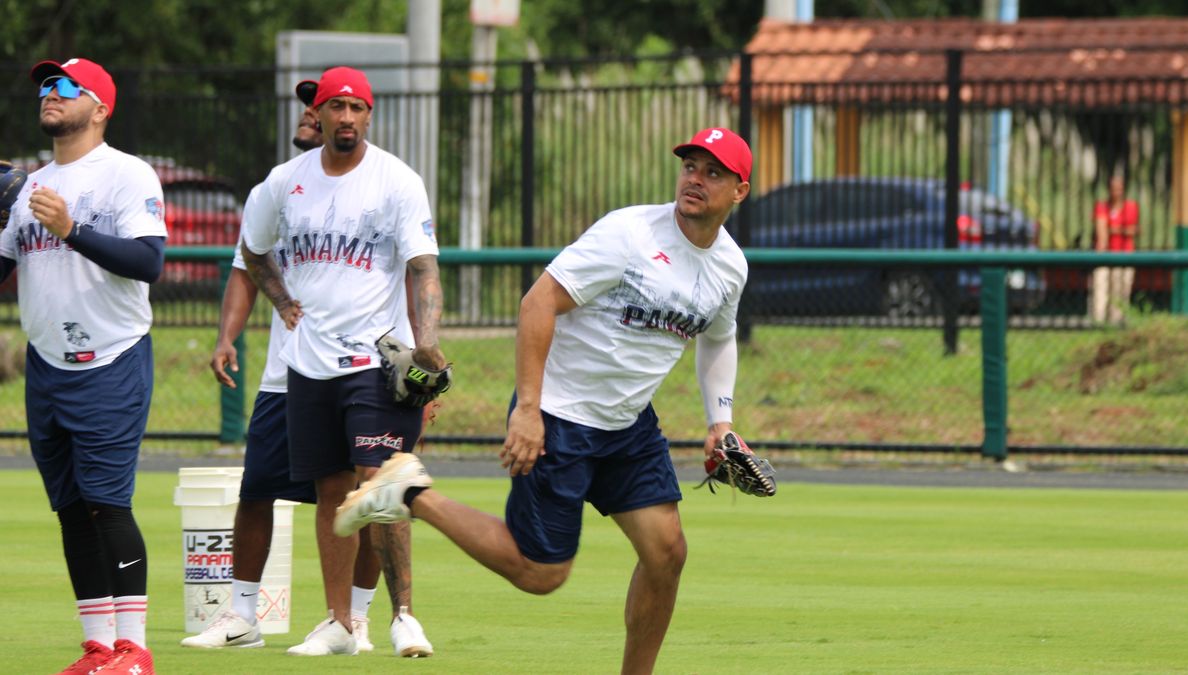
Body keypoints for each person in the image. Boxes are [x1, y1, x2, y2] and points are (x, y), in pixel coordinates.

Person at [335, 126, 753, 674]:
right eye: (691, 166)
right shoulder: (628, 234)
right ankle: (411, 493)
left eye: (713, 172)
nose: (696, 178)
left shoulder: (730, 266)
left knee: (667, 553)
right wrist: (528, 409)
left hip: (627, 426)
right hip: (560, 414)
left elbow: (719, 337)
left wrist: (720, 422)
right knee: (540, 573)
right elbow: (537, 303)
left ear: (739, 191)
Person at [181, 90, 433, 656]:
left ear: (366, 115)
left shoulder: (387, 180)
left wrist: (423, 353)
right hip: (289, 369)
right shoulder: (277, 187)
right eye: (320, 105)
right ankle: (243, 615)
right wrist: (227, 335)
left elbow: (420, 271)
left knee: (370, 485)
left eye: (352, 107)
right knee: (260, 488)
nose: (327, 115)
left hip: (365, 364)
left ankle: (361, 618)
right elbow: (248, 263)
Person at [0, 58, 166, 675]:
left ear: (99, 107)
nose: (50, 93)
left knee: (108, 505)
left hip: (111, 358)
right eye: (45, 85)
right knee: (70, 508)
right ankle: (99, 647)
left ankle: (135, 649)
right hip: (46, 364)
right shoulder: (27, 187)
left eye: (65, 86)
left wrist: (70, 228)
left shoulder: (125, 174)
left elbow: (148, 263)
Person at [1091, 175, 1139, 324]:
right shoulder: (1102, 206)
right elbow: (1101, 230)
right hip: (1105, 254)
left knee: (1120, 291)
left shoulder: (1131, 207)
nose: (1116, 192)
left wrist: (1114, 229)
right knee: (1100, 289)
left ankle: (1116, 323)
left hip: (1124, 255)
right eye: (1113, 189)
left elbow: (1134, 230)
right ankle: (1098, 322)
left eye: (1119, 189)